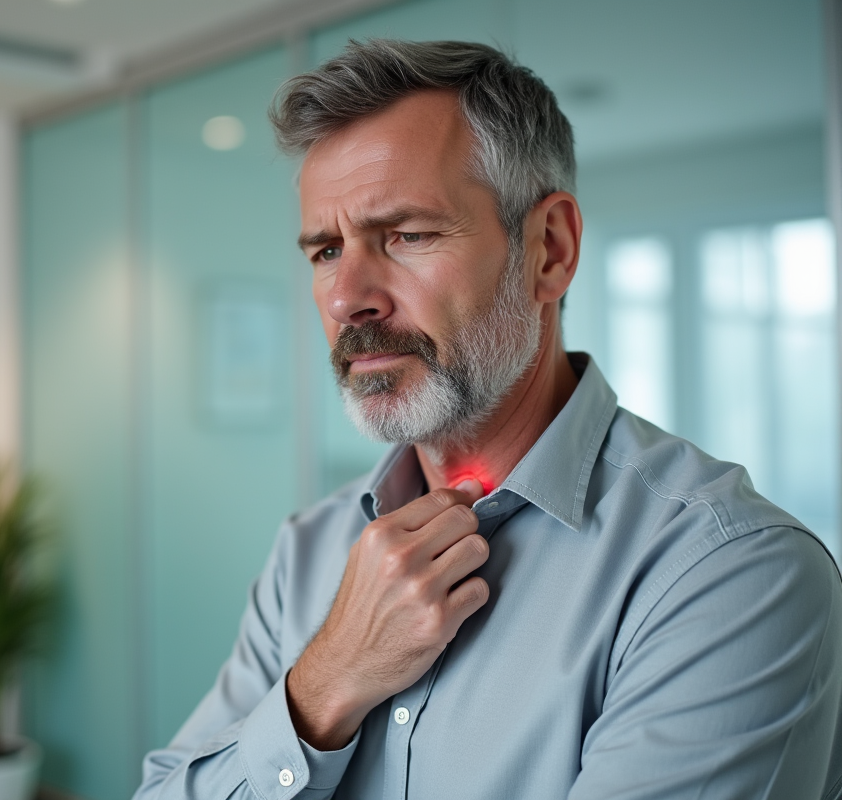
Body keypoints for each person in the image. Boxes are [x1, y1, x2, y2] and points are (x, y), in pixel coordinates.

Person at [133, 39, 842, 799]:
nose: (348, 297)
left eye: (406, 235)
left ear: (550, 250)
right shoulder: (307, 555)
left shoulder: (729, 578)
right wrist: (323, 685)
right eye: (326, 249)